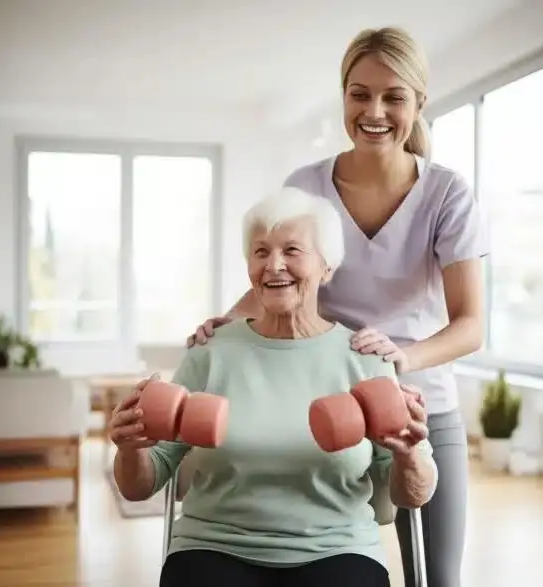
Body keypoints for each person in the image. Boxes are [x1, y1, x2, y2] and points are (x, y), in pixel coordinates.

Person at [185, 27, 487, 587]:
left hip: (419, 404)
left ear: (419, 102)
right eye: (359, 93)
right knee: (315, 556)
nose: (374, 111)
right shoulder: (307, 184)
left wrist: (400, 358)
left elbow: (470, 325)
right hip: (322, 396)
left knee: (435, 576)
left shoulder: (448, 193)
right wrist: (227, 322)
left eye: (393, 96)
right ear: (344, 96)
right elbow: (282, 276)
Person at [110, 187, 439, 587]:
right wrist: (130, 448)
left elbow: (410, 496)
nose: (273, 266)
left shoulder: (366, 358)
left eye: (292, 250)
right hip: (213, 546)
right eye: (261, 251)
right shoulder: (210, 353)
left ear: (327, 267)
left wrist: (409, 456)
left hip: (337, 549)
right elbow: (139, 485)